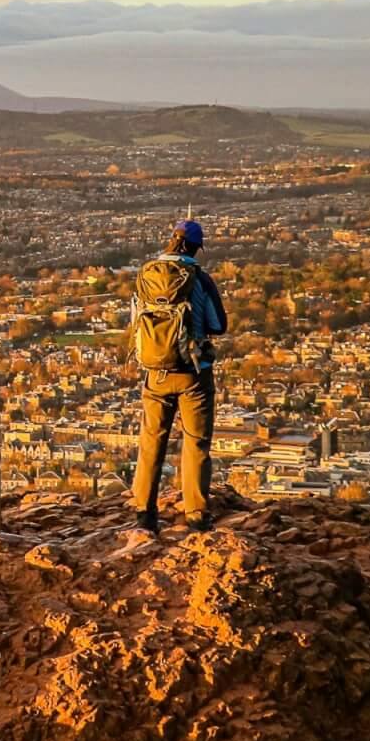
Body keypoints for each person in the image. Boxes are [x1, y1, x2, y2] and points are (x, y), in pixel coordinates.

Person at [129, 219, 227, 534]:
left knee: (151, 442)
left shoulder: (146, 276)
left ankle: (143, 511)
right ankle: (196, 515)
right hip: (193, 373)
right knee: (195, 443)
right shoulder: (199, 278)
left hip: (155, 372)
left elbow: (136, 321)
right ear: (196, 247)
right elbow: (218, 324)